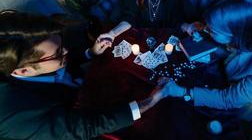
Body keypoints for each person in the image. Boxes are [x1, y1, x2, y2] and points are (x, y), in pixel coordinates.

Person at [0, 10, 165, 139]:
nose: (66, 50)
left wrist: (91, 52)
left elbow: (63, 60)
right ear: (23, 71)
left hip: (85, 89)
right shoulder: (18, 117)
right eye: (58, 53)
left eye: (61, 43)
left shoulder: (37, 60)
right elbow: (87, 126)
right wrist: (150, 102)